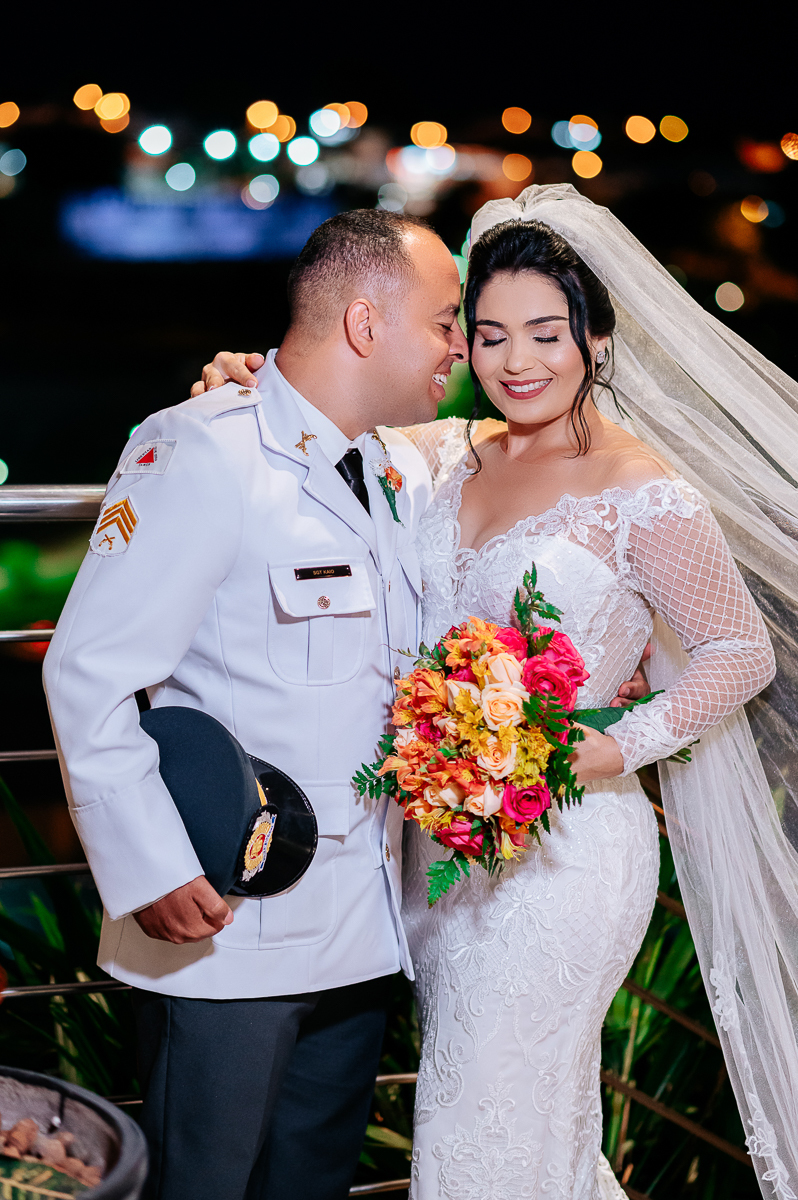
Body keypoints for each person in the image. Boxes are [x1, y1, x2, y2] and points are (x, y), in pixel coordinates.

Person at [202, 185, 798, 1200]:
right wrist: (247, 380)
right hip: (440, 845)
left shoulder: (645, 492)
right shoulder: (444, 455)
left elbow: (741, 651)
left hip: (566, 853)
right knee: (521, 1131)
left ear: (596, 341)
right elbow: (324, 414)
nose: (517, 361)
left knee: (481, 1125)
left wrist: (614, 746)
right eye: (488, 334)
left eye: (546, 334)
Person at [43, 208, 470, 1200]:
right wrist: (152, 867)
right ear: (365, 322)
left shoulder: (398, 468)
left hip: (359, 932)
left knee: (312, 1185)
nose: (457, 346)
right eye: (445, 320)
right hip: (225, 931)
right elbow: (87, 670)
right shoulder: (200, 449)